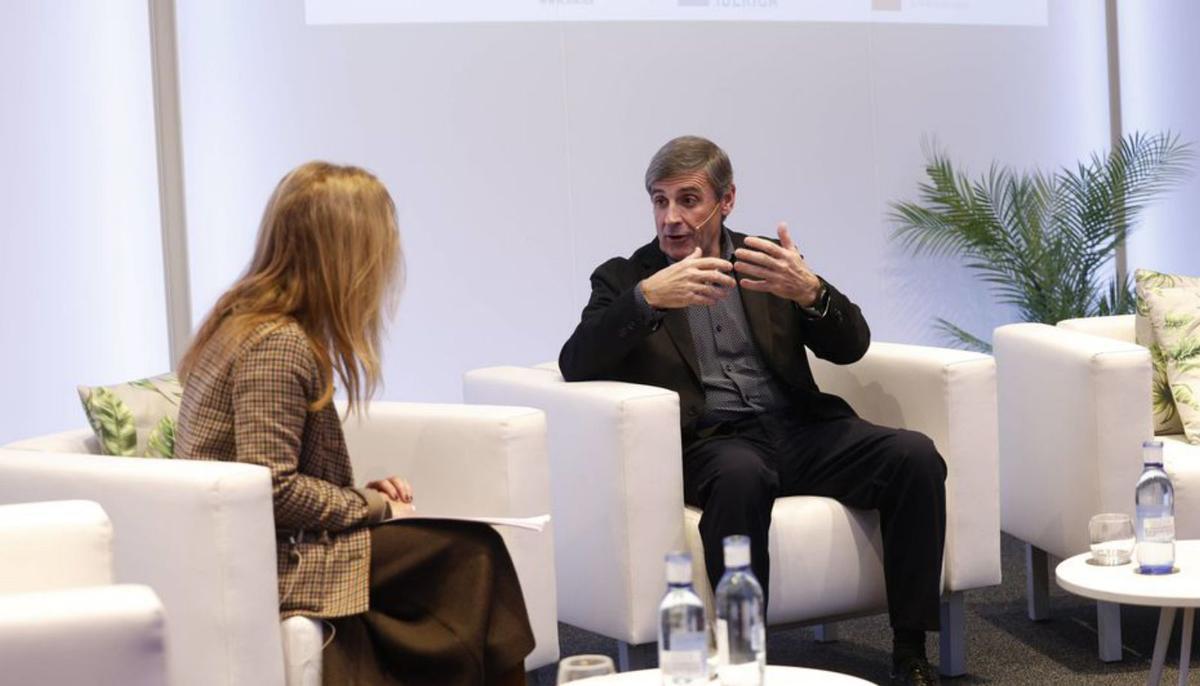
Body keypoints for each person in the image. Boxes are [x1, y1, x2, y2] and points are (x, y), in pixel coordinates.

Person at [559, 136, 946, 685]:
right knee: (741, 475)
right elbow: (576, 361)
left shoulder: (765, 261)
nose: (671, 217)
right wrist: (647, 300)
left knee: (914, 456)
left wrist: (811, 292)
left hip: (801, 427)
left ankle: (911, 651)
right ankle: (746, 662)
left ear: (726, 200)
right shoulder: (627, 278)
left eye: (688, 200)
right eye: (659, 200)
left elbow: (851, 345)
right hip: (713, 441)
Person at [176, 161, 534, 686]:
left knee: (463, 558)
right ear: (344, 254)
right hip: (274, 557)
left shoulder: (248, 324)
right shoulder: (276, 344)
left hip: (262, 543)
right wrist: (371, 506)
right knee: (473, 556)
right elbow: (266, 486)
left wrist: (358, 500)